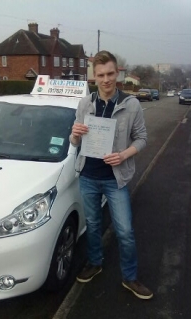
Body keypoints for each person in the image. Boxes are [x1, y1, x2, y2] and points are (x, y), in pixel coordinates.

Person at [70, 50, 153, 300]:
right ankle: (95, 262)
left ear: (117, 74)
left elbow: (142, 139)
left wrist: (124, 154)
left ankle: (130, 277)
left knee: (125, 230)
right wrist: (74, 133)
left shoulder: (131, 104)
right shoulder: (85, 104)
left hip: (115, 179)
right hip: (88, 176)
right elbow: (74, 142)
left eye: (110, 74)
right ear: (93, 77)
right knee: (93, 225)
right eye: (100, 75)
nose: (105, 79)